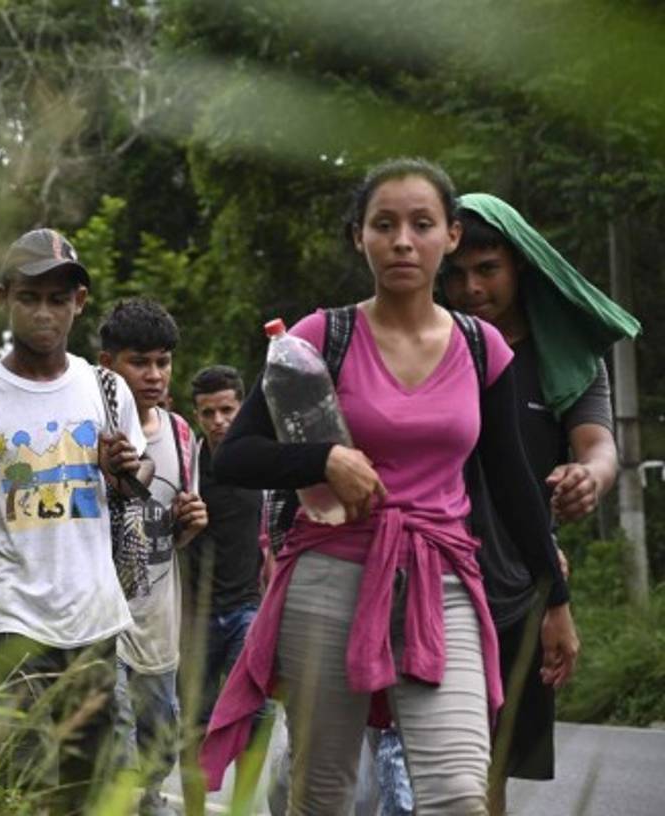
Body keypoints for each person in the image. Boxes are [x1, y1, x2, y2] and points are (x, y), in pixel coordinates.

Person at [200, 157, 570, 815]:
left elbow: (514, 486)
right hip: (329, 579)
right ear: (359, 238)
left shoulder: (482, 348)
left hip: (444, 580)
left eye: (421, 224)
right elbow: (238, 457)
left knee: (460, 793)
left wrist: (556, 601)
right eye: (385, 224)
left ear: (450, 236)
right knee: (324, 794)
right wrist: (324, 459)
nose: (403, 240)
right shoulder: (321, 337)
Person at [0, 228, 148, 814]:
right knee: (23, 793)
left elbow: (133, 487)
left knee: (104, 792)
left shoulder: (106, 389)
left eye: (58, 298)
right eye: (29, 297)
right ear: (3, 298)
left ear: (80, 302)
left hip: (94, 624)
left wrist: (126, 467)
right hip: (12, 628)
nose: (44, 312)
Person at [441, 193, 639, 813]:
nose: (471, 287)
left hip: (519, 582)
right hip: (429, 571)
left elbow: (598, 443)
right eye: (456, 272)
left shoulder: (563, 356)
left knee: (487, 770)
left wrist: (590, 477)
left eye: (487, 268)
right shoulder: (426, 343)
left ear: (519, 265)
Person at [98, 298, 208, 816]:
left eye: (162, 362)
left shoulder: (184, 434)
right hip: (103, 625)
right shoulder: (90, 434)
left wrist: (191, 523)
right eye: (139, 362)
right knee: (118, 751)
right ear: (108, 365)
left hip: (159, 622)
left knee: (158, 745)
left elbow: (174, 535)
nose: (154, 375)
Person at [177, 365, 267, 816]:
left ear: (242, 407)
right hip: (194, 616)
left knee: (253, 715)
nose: (218, 421)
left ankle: (243, 808)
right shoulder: (187, 465)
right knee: (194, 721)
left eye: (227, 410)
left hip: (248, 609)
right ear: (197, 415)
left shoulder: (260, 458)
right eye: (208, 412)